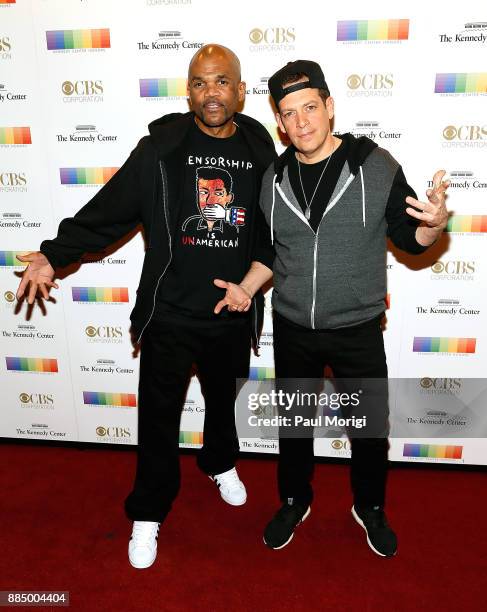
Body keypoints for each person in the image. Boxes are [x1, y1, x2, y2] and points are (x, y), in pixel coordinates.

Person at [15, 44, 276, 569]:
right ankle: (149, 512)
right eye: (200, 83)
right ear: (189, 91)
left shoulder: (260, 146)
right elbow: (108, 211)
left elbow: (274, 229)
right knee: (159, 419)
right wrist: (53, 255)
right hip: (171, 312)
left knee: (224, 405)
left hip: (233, 309)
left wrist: (250, 285)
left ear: (242, 90)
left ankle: (220, 463)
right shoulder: (161, 147)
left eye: (222, 81)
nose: (211, 93)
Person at [219, 59, 449, 557]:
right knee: (295, 427)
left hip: (357, 328)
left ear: (329, 107)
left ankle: (368, 507)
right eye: (289, 113)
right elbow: (270, 255)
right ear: (279, 122)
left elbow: (411, 237)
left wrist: (434, 225)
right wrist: (247, 287)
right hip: (295, 325)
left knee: (370, 431)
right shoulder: (272, 179)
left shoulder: (374, 164)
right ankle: (294, 499)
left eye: (310, 108)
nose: (301, 122)